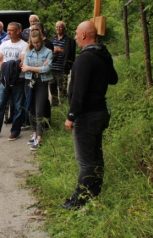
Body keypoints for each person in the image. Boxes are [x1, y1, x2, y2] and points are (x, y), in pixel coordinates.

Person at [62, 21, 118, 209]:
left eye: (77, 34)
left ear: (84, 35)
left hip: (86, 116)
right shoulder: (102, 55)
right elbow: (113, 78)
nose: (76, 37)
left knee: (85, 161)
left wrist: (71, 116)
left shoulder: (86, 58)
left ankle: (79, 200)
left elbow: (79, 92)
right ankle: (94, 192)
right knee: (95, 156)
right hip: (100, 113)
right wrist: (107, 57)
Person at [0, 22, 27, 141]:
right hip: (4, 80)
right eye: (7, 30)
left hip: (19, 80)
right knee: (0, 106)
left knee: (18, 107)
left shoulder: (24, 45)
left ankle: (15, 131)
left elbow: (22, 63)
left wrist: (7, 65)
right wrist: (10, 67)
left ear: (19, 31)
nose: (8, 32)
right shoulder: (4, 44)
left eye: (11, 30)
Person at [21, 29, 53, 151]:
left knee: (39, 110)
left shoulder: (48, 52)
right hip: (29, 82)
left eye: (37, 42)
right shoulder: (28, 51)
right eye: (33, 42)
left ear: (41, 40)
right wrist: (39, 67)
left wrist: (31, 67)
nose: (36, 45)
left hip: (42, 82)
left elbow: (47, 69)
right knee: (30, 108)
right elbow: (24, 67)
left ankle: (39, 137)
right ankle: (34, 133)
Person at [49, 21, 76, 106]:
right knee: (52, 88)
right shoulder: (52, 38)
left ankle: (64, 106)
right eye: (57, 27)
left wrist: (60, 50)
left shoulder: (70, 40)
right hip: (52, 67)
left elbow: (71, 54)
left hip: (62, 68)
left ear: (64, 28)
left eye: (60, 27)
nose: (58, 28)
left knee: (62, 88)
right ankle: (54, 105)